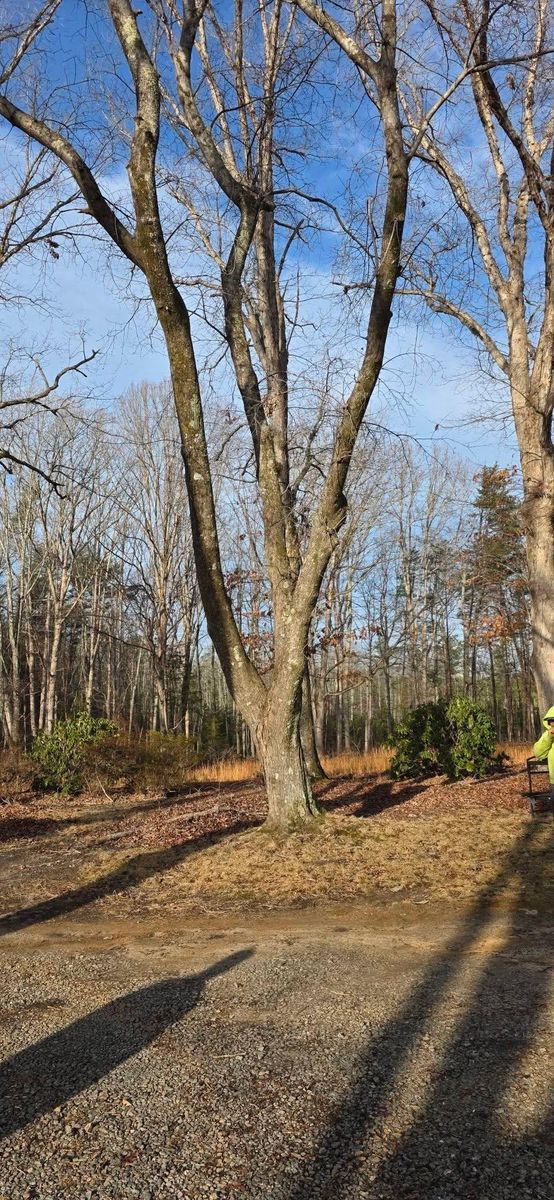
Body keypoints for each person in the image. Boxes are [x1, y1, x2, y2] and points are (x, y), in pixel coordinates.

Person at [533, 706, 554, 804]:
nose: (553, 723)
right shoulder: (547, 735)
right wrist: (549, 738)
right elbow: (538, 753)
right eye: (551, 721)